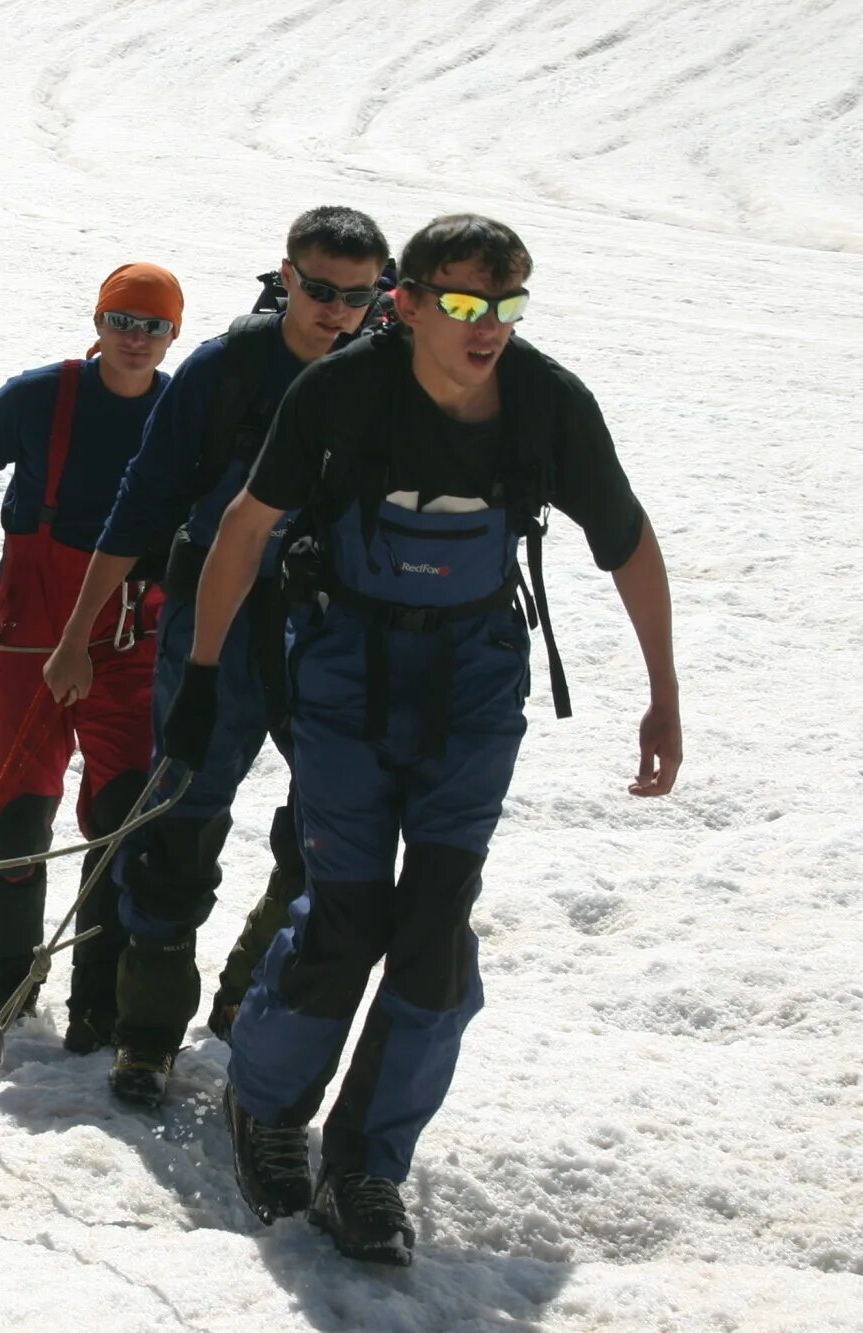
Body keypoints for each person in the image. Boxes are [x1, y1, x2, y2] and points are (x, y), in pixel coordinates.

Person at [174, 214, 680, 1265]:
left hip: (474, 683)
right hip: (345, 675)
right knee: (348, 910)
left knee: (436, 927)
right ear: (402, 303)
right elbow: (244, 527)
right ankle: (264, 1108)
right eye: (459, 303)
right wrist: (202, 678)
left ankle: (364, 1166)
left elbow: (624, 539)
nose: (485, 326)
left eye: (503, 304)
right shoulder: (340, 391)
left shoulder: (547, 402)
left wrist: (662, 692)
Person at [43, 207, 391, 1105]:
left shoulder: (395, 378)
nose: (336, 312)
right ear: (287, 276)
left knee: (327, 833)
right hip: (215, 619)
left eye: (358, 296)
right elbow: (144, 501)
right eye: (319, 290)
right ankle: (148, 1033)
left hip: (335, 629)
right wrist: (78, 633)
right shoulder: (229, 368)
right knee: (179, 816)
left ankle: (249, 1001)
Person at [0, 263, 181, 1053]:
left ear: (174, 336)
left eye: (153, 326)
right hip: (29, 630)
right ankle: (10, 975)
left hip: (130, 638)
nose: (136, 338)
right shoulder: (39, 396)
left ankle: (102, 996)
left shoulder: (181, 411)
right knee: (17, 807)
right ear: (96, 322)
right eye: (122, 320)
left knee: (121, 814)